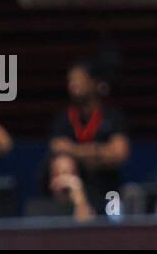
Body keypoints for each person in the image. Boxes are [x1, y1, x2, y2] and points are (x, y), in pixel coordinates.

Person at [48, 61, 131, 203]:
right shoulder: (64, 118)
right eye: (71, 80)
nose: (73, 84)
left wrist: (74, 151)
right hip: (73, 196)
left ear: (94, 82)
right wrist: (98, 153)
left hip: (109, 192)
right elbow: (57, 148)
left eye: (79, 78)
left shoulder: (112, 116)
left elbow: (119, 154)